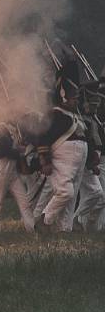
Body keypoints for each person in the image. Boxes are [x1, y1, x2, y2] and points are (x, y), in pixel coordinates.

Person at [37, 60, 90, 232]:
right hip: (63, 159)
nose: (76, 99)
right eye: (73, 96)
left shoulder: (75, 115)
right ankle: (45, 219)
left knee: (72, 195)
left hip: (78, 160)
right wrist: (44, 161)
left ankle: (64, 229)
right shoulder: (56, 114)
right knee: (65, 192)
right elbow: (44, 138)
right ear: (63, 96)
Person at [0, 123, 35, 233]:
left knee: (24, 201)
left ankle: (31, 229)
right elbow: (5, 150)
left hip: (12, 169)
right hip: (1, 167)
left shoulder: (14, 129)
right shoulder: (0, 128)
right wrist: (19, 151)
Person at [72, 81, 105, 231]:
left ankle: (81, 224)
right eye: (93, 105)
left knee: (95, 195)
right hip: (82, 160)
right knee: (95, 194)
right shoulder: (78, 117)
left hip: (90, 160)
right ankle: (75, 221)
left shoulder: (90, 118)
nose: (95, 108)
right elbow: (86, 142)